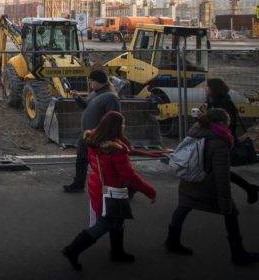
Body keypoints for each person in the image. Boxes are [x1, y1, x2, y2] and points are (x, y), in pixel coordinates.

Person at [61, 111, 157, 271]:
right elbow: (129, 176)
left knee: (117, 221)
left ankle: (117, 252)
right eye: (123, 124)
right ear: (118, 127)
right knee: (104, 224)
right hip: (112, 191)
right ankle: (72, 250)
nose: (124, 126)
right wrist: (150, 191)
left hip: (98, 186)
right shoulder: (116, 149)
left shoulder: (94, 141)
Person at [164, 108, 259, 266]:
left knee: (183, 207)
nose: (229, 125)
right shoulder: (219, 142)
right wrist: (225, 202)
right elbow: (222, 175)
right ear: (221, 123)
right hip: (207, 184)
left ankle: (172, 241)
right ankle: (238, 253)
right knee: (231, 214)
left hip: (190, 178)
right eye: (228, 122)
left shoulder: (196, 131)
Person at [63, 69, 120, 193]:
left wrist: (107, 137)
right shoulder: (95, 93)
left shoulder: (110, 97)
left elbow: (114, 118)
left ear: (99, 82)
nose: (90, 83)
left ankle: (122, 187)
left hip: (99, 136)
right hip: (88, 135)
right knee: (81, 159)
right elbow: (85, 106)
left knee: (105, 164)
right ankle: (78, 184)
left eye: (92, 81)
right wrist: (78, 98)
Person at [205, 78, 258, 204]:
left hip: (222, 140)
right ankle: (249, 189)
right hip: (215, 139)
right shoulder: (213, 101)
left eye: (207, 87)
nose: (205, 89)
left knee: (217, 170)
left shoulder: (224, 103)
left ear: (213, 89)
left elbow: (228, 123)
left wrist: (217, 133)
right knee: (219, 170)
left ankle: (222, 199)